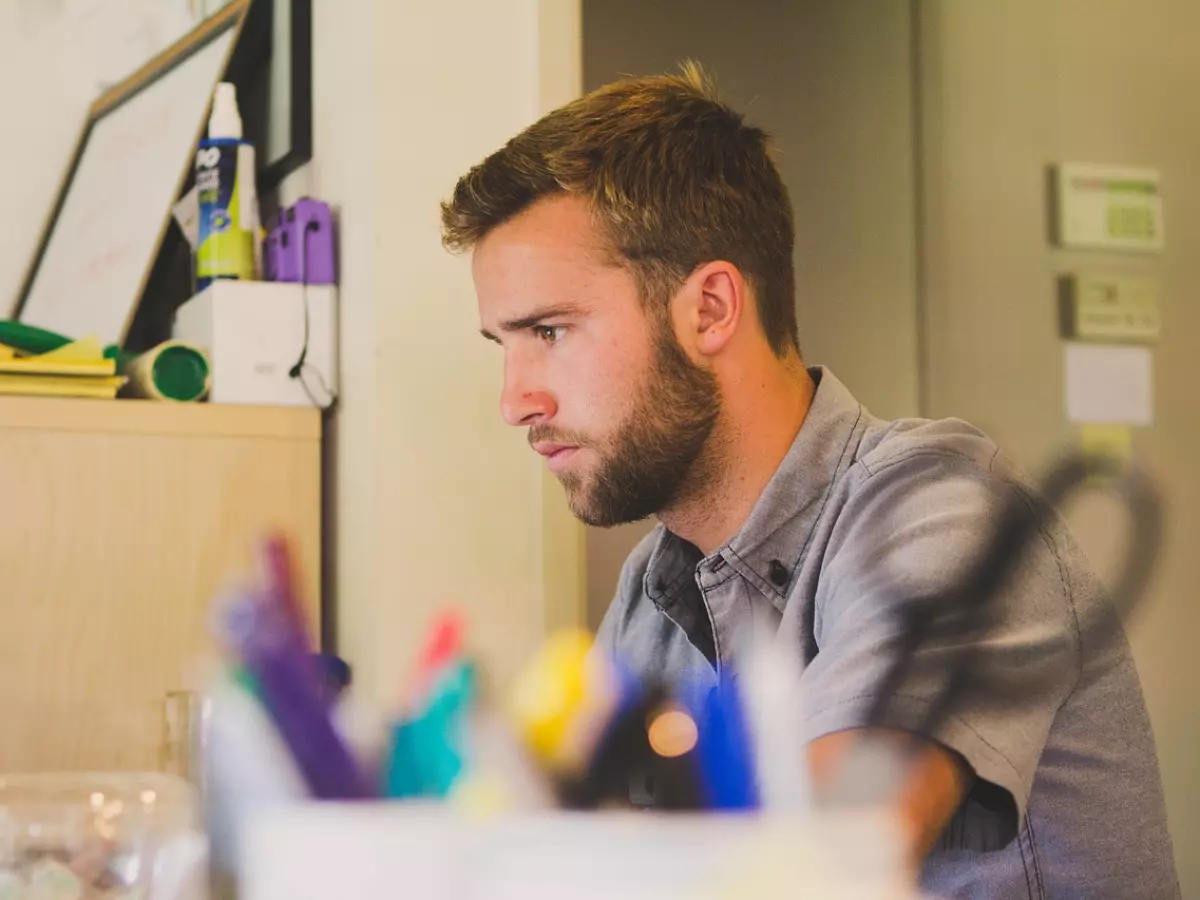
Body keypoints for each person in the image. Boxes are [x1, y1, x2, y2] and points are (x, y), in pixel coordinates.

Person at [440, 65, 1179, 898]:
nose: (515, 400)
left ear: (712, 308)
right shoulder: (653, 594)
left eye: (549, 330)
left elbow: (829, 860)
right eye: (503, 345)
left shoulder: (942, 506)